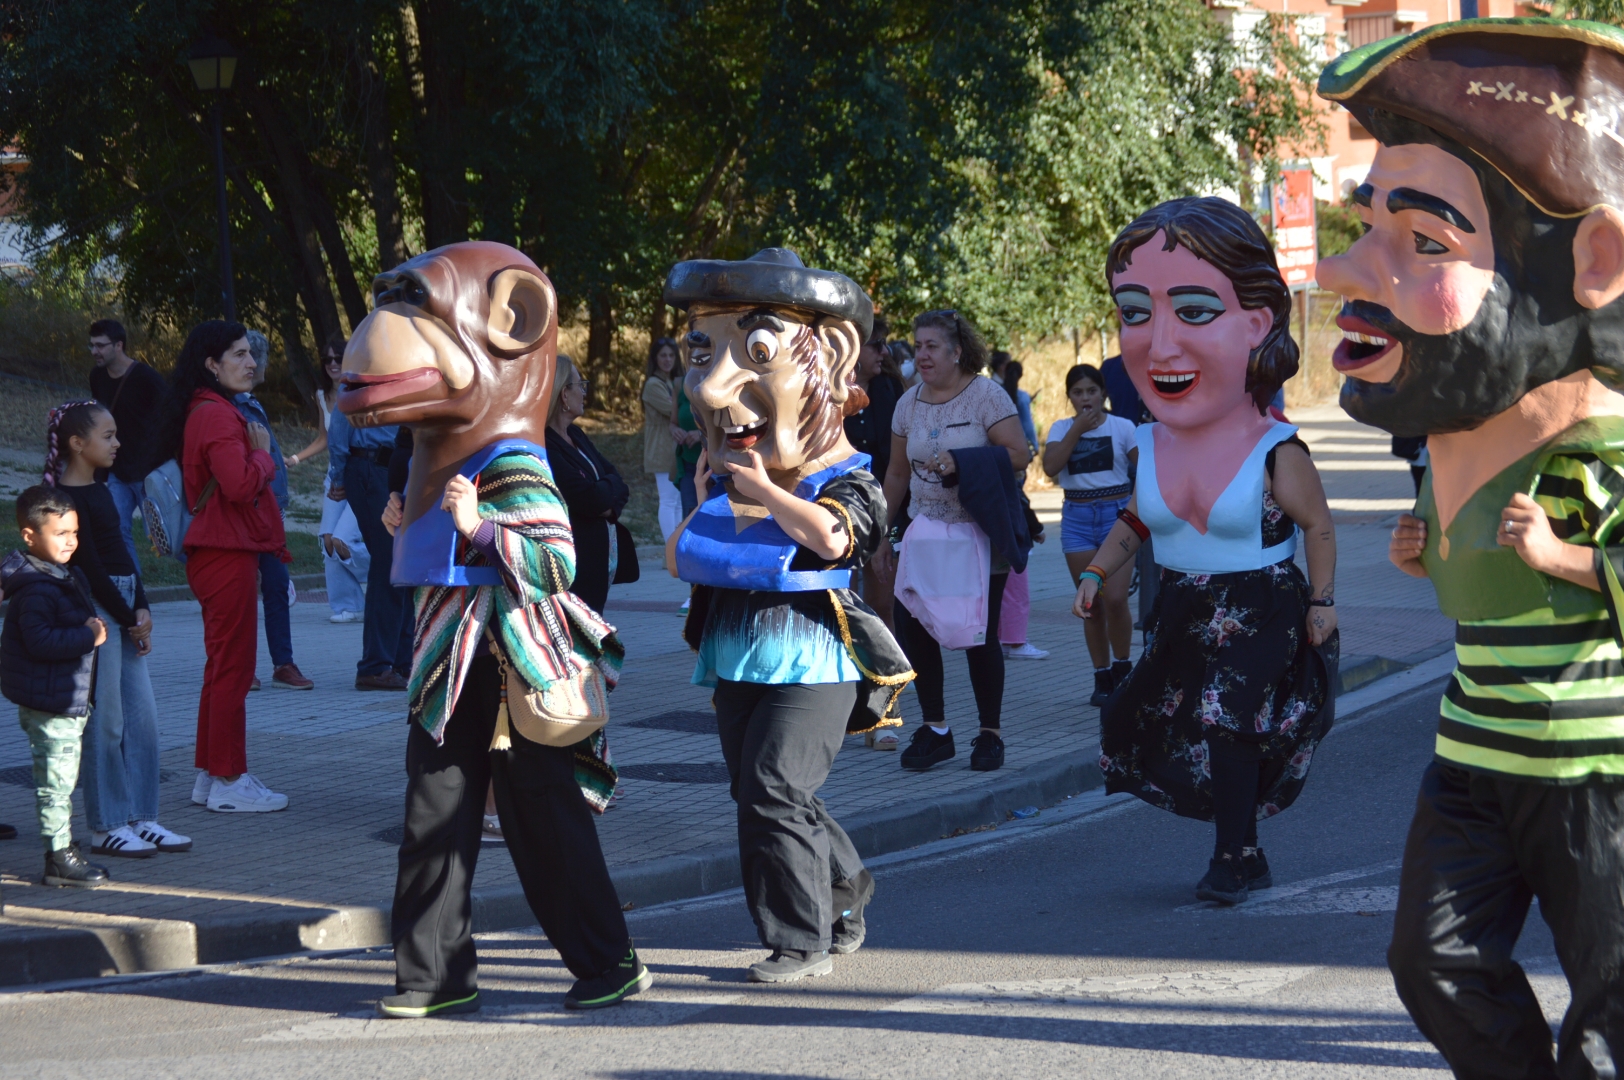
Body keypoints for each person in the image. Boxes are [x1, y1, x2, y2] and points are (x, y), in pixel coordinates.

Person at [1318, 19, 1624, 1072]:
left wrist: (1568, 561)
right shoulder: (1447, 451)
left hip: (1598, 765)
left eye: (1426, 241)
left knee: (1614, 1002)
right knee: (1431, 960)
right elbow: (1473, 577)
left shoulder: (1605, 455)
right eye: (1367, 226)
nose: (1341, 268)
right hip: (1475, 754)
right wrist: (1424, 553)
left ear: (1596, 261)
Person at [339, 240, 647, 1018]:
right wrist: (409, 524)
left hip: (514, 669)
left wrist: (479, 529)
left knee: (546, 830)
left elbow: (554, 565)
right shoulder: (433, 460)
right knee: (432, 821)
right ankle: (434, 977)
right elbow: (423, 568)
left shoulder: (513, 460)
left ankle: (609, 962)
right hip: (449, 667)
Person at [1076, 196, 1338, 907]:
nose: (1158, 345)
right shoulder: (1150, 442)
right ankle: (1241, 847)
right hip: (1185, 604)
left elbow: (1316, 525)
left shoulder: (1277, 449)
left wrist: (1323, 601)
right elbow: (1136, 522)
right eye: (1135, 312)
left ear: (1258, 324)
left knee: (1228, 722)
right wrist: (1098, 572)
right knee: (1145, 718)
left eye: (1192, 311)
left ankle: (1234, 856)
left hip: (1261, 604)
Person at [665, 246, 912, 982]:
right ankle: (845, 889)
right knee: (761, 792)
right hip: (738, 651)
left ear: (830, 358)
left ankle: (801, 941)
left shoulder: (850, 477)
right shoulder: (729, 478)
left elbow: (836, 538)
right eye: (702, 352)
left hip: (817, 657)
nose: (713, 386)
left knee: (774, 786)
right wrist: (712, 490)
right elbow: (681, 557)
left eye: (756, 351)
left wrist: (767, 493)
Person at [874, 309, 1030, 773]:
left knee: (978, 634)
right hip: (926, 533)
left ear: (957, 351)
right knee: (914, 624)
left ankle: (990, 734)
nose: (921, 355)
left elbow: (1020, 455)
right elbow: (897, 473)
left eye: (931, 347)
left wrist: (964, 462)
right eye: (917, 346)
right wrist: (881, 533)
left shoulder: (986, 395)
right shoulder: (909, 403)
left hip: (982, 534)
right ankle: (936, 730)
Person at [44, 402, 188, 858]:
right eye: (107, 436)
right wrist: (128, 620)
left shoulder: (103, 489)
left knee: (142, 720)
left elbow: (123, 555)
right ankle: (106, 826)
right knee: (106, 722)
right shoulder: (65, 500)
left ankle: (143, 817)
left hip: (123, 607)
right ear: (77, 444)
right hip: (97, 612)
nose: (117, 443)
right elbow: (87, 568)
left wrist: (142, 605)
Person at [160, 321, 292, 814]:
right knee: (233, 670)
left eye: (250, 354)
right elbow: (238, 485)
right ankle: (229, 780)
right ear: (211, 364)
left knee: (222, 670)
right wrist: (263, 458)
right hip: (224, 553)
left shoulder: (207, 410)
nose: (251, 363)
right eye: (238, 355)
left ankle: (210, 775)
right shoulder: (216, 415)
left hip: (220, 551)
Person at [1, 485, 110, 886]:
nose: (70, 541)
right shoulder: (36, 590)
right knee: (56, 784)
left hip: (63, 698)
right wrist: (89, 636)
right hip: (51, 704)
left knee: (59, 779)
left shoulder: (63, 575)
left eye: (75, 532)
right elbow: (41, 641)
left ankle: (62, 846)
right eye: (60, 534)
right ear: (30, 536)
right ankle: (59, 858)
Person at [1044, 364, 1137, 703]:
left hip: (1117, 517)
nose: (1085, 398)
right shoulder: (1061, 428)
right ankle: (1101, 674)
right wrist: (1077, 430)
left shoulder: (1123, 427)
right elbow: (1051, 467)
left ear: (1103, 394)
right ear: (1069, 396)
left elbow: (1145, 465)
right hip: (1078, 519)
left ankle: (1124, 666)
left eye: (1091, 391)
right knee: (1091, 603)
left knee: (1115, 599)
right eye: (1078, 392)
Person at [327, 363, 411, 690]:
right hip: (371, 466)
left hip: (393, 466)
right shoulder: (364, 374)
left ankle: (403, 661)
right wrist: (339, 475)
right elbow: (339, 425)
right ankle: (375, 665)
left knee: (401, 567)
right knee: (388, 566)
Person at [237, 331, 313, 690]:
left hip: (269, 508)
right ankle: (244, 668)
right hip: (251, 508)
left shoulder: (251, 402)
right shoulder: (235, 406)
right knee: (247, 588)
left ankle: (283, 662)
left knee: (277, 585)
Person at [288, 341, 368, 623]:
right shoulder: (322, 395)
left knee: (342, 539)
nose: (332, 363)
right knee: (326, 540)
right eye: (327, 359)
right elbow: (325, 438)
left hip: (359, 475)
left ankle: (385, 576)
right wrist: (296, 459)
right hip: (333, 479)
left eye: (338, 358)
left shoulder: (363, 391)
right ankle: (349, 606)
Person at [546, 356, 630, 614]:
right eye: (579, 385)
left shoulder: (576, 435)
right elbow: (585, 497)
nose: (584, 392)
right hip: (574, 563)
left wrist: (604, 498)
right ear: (563, 394)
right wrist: (603, 498)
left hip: (598, 561)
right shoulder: (545, 443)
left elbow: (618, 480)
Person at [844, 316, 905, 652]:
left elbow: (897, 462)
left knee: (882, 603)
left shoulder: (890, 390)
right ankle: (846, 673)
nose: (885, 351)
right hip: (839, 513)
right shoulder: (830, 392)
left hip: (886, 512)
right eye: (877, 344)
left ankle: (887, 672)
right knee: (843, 600)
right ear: (853, 348)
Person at [87, 319, 167, 565]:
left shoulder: (147, 379)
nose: (94, 352)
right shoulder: (97, 376)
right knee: (116, 534)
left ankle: (215, 576)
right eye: (91, 345)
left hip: (147, 473)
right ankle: (133, 595)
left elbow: (171, 417)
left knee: (164, 538)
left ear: (119, 345)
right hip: (117, 471)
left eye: (100, 346)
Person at [991, 355, 1048, 662]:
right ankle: (1014, 640)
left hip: (992, 524)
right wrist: (1036, 528)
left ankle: (1000, 638)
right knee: (1016, 580)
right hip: (1011, 532)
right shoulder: (1006, 457)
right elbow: (1017, 499)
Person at [641, 337, 683, 540]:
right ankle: (670, 549)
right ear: (655, 358)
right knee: (668, 500)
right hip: (660, 447)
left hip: (674, 446)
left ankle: (675, 549)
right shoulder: (652, 384)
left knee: (677, 501)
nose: (667, 359)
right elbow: (674, 409)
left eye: (671, 355)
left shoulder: (669, 382)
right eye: (663, 355)